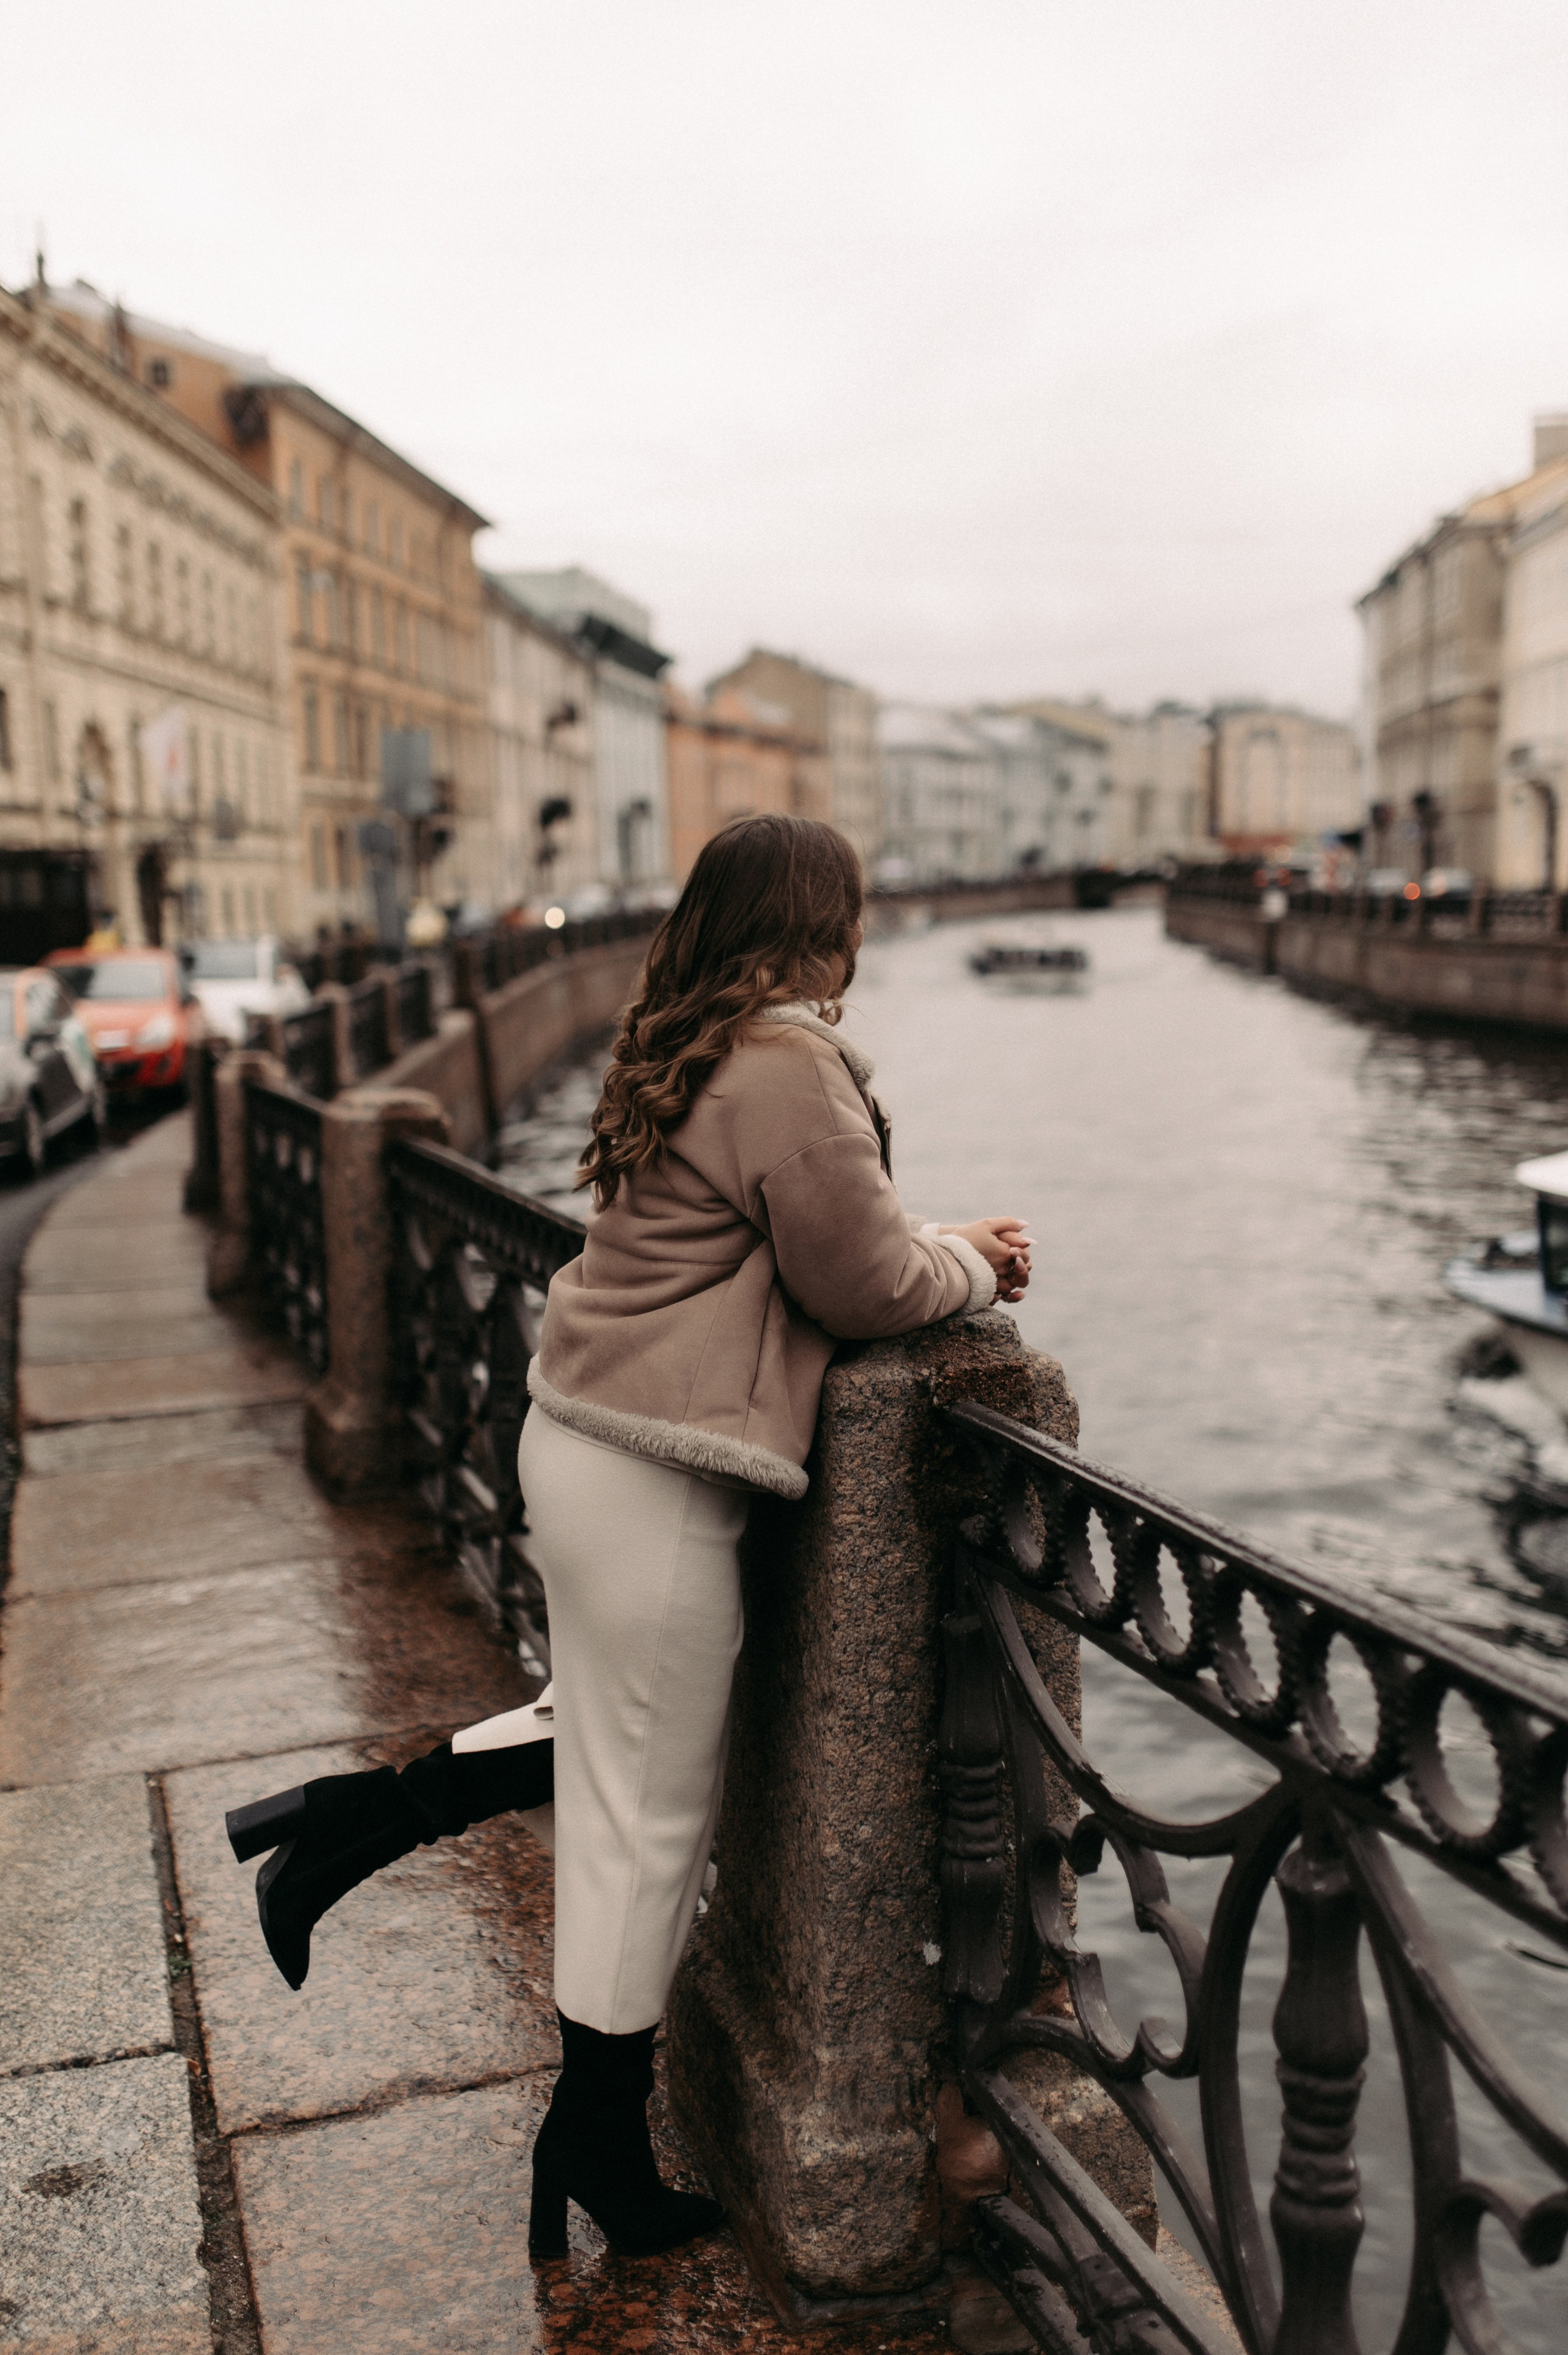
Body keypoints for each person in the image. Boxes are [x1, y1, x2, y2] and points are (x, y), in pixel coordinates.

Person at [225, 814, 1031, 2261]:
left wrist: (927, 1232)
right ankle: (592, 2135)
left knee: (606, 1738)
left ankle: (338, 1827)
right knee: (642, 1826)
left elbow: (795, 1228)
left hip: (584, 1441)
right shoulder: (789, 1065)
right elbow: (855, 1277)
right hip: (654, 1473)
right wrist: (979, 1260)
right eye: (847, 914)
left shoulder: (697, 1040)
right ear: (819, 925)